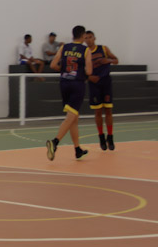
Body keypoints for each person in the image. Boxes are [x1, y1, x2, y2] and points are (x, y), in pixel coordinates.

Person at [46, 25, 93, 161]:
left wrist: (65, 70)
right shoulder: (86, 50)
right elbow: (89, 71)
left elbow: (53, 65)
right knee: (71, 116)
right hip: (77, 84)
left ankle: (77, 149)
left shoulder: (64, 47)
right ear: (83, 36)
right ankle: (55, 142)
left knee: (74, 118)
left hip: (64, 83)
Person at [85, 30, 119, 151]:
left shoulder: (103, 49)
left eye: (90, 37)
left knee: (108, 110)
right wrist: (89, 77)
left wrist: (108, 60)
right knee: (98, 111)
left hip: (106, 83)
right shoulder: (84, 52)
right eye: (86, 38)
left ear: (94, 38)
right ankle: (101, 136)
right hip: (94, 84)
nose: (88, 39)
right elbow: (80, 71)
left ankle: (110, 136)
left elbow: (116, 60)